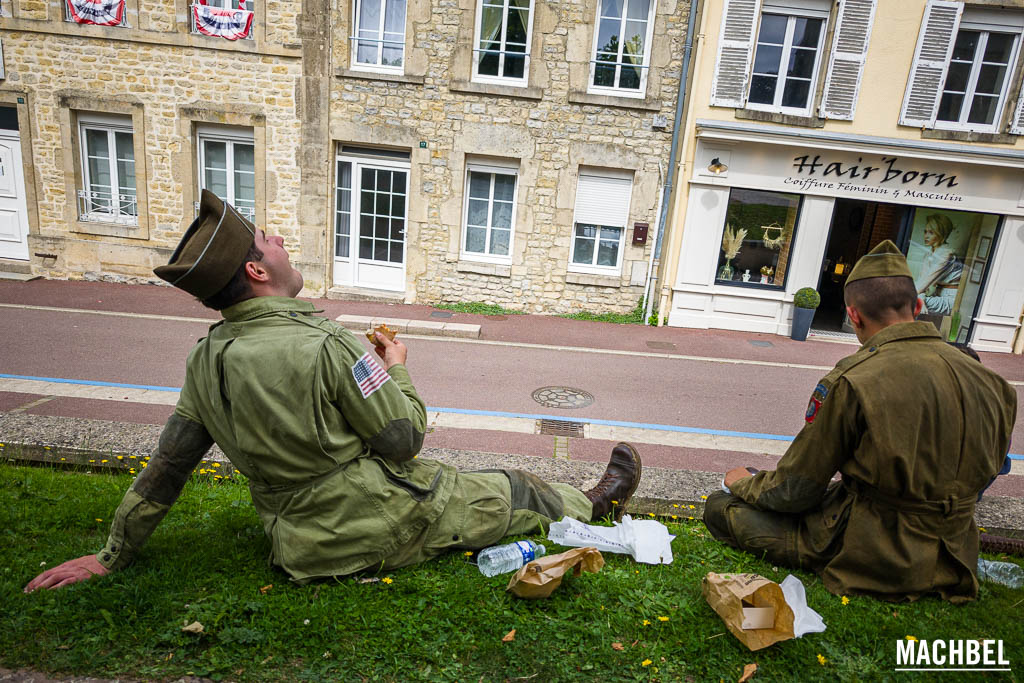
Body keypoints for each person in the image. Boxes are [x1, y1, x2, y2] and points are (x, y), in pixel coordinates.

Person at [25, 190, 642, 592]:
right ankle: (597, 505)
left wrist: (111, 555)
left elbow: (167, 468)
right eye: (268, 240)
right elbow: (404, 440)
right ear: (257, 271)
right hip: (374, 524)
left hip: (296, 544)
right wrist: (396, 367)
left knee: (470, 482)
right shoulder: (329, 344)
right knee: (519, 487)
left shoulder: (205, 359)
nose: (279, 241)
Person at [703, 240, 1016, 603]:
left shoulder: (856, 378)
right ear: (917, 307)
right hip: (955, 553)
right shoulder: (995, 384)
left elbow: (797, 490)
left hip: (874, 553)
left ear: (853, 315)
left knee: (720, 507)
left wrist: (743, 484)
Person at [914, 213, 963, 316]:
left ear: (941, 234)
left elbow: (925, 283)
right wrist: (921, 299)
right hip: (937, 294)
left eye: (931, 233)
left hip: (952, 299)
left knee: (909, 300)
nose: (926, 236)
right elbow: (922, 282)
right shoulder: (928, 255)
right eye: (925, 231)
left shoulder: (946, 254)